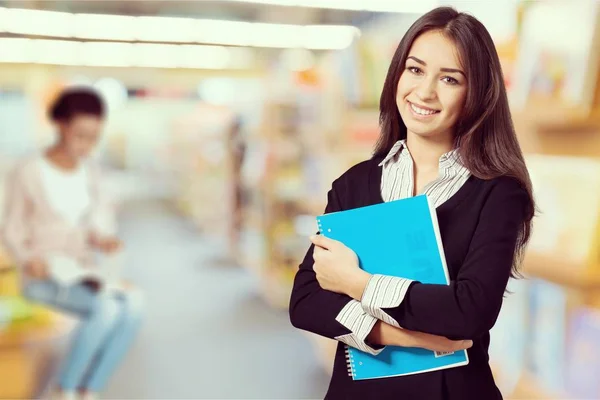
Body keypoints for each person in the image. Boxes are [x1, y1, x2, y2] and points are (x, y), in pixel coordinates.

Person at [289, 6, 535, 400]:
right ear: (397, 75)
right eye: (415, 70)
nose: (425, 92)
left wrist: (356, 282)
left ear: (477, 93)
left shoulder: (498, 192)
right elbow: (305, 301)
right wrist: (408, 335)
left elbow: (467, 311)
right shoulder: (354, 184)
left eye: (450, 78)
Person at [1, 87, 144, 400]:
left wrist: (103, 240)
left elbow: (93, 223)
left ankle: (87, 389)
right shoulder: (28, 171)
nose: (87, 145)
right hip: (42, 276)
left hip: (81, 273)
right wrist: (27, 258)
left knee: (135, 305)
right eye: (81, 135)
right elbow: (11, 228)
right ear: (61, 126)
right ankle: (64, 388)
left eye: (94, 137)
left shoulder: (90, 172)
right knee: (106, 310)